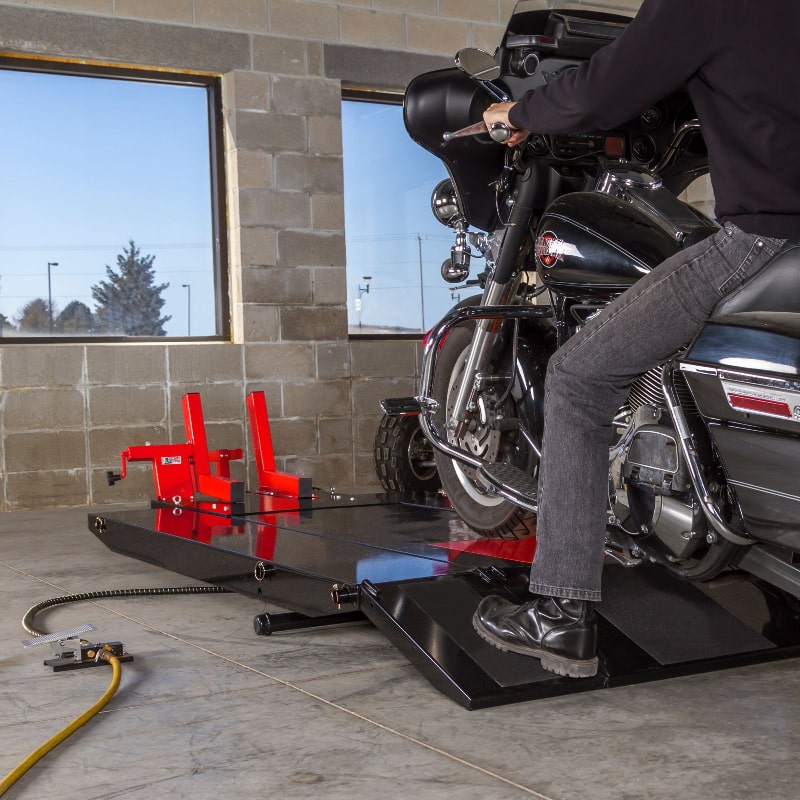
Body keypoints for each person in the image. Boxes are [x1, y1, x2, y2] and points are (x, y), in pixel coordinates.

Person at [472, 0, 800, 678]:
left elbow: (604, 88)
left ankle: (559, 614)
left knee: (578, 378)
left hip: (764, 238)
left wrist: (521, 114)